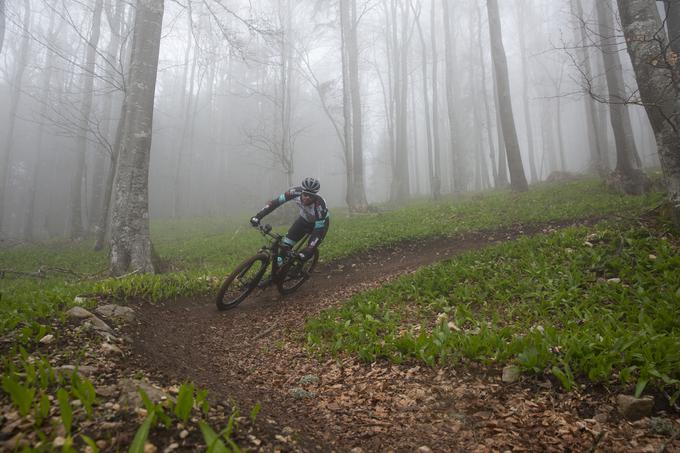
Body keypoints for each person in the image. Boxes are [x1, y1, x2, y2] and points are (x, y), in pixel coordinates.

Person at [250, 177, 330, 266]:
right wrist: (258, 216)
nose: (307, 197)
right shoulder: (294, 192)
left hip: (320, 224)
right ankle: (280, 268)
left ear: (315, 196)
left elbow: (318, 231)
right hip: (304, 219)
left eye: (311, 196)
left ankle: (299, 266)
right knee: (285, 246)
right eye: (305, 194)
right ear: (302, 192)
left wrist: (309, 249)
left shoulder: (320, 206)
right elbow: (275, 203)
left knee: (308, 251)